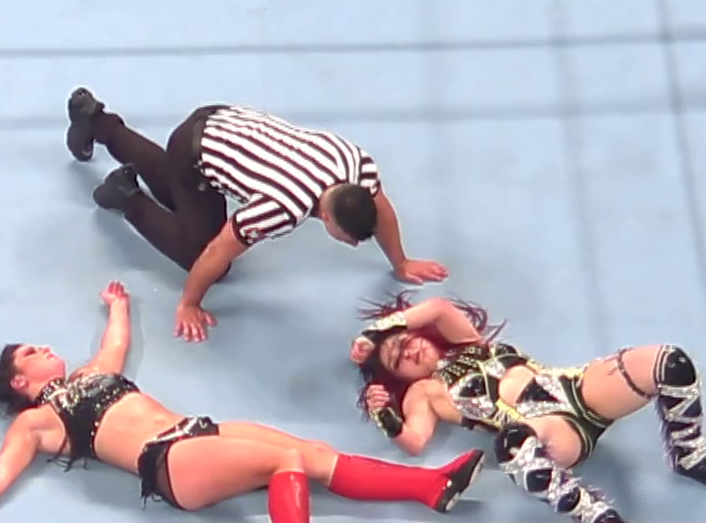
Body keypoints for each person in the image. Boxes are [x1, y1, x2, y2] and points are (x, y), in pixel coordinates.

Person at [0, 282, 486, 523]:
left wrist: (118, 306)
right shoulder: (39, 421)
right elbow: (4, 469)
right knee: (285, 459)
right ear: (21, 382)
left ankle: (430, 486)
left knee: (308, 452)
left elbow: (114, 345)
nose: (45, 348)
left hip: (197, 433)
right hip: (169, 463)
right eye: (32, 352)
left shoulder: (91, 374)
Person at [347, 292, 706, 523]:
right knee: (512, 447)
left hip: (579, 389)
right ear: (398, 377)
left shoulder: (470, 342)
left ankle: (690, 455)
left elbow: (436, 307)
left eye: (406, 340)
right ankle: (596, 516)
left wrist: (377, 330)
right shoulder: (425, 392)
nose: (408, 351)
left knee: (669, 362)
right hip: (549, 430)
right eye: (397, 359)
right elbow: (415, 441)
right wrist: (386, 416)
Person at [61, 88, 448, 343]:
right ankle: (126, 196)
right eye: (348, 239)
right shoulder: (283, 207)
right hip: (195, 152)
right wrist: (189, 303)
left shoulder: (356, 163)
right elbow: (218, 250)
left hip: (221, 117)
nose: (352, 245)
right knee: (196, 248)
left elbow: (381, 209)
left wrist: (400, 262)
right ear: (328, 221)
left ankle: (99, 122)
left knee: (174, 190)